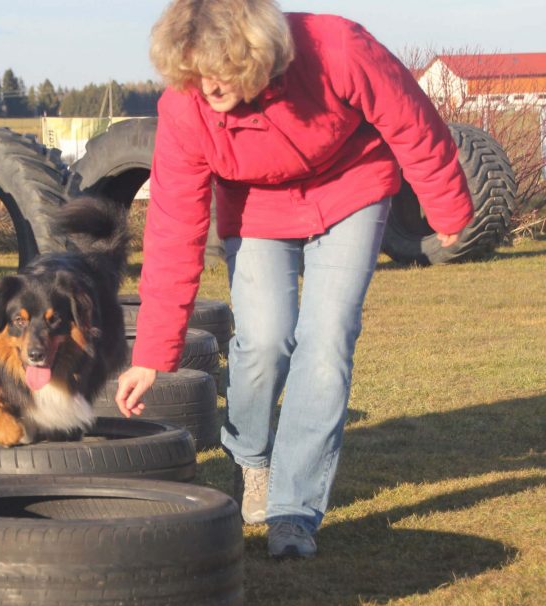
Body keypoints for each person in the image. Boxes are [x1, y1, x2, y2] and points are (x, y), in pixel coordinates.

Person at [114, 0, 473, 559]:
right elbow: (173, 227)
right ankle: (252, 461)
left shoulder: (336, 48)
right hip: (257, 206)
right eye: (196, 71)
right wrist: (152, 354)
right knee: (263, 339)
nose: (209, 85)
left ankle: (293, 511)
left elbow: (410, 119)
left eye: (221, 69)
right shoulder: (185, 111)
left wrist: (446, 203)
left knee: (326, 343)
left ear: (257, 53)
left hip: (352, 188)